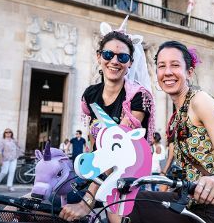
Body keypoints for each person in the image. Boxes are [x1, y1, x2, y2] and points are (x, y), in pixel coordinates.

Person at [126, 41, 214, 223]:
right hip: (192, 202)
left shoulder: (199, 100)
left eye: (175, 65)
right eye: (161, 66)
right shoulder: (178, 114)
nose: (168, 72)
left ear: (189, 72)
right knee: (134, 202)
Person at [59, 29, 155, 222]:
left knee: (115, 218)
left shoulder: (138, 96)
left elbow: (117, 152)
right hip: (97, 172)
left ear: (130, 63)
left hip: (125, 177)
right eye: (108, 54)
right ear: (99, 57)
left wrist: (87, 201)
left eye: (123, 56)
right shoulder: (90, 95)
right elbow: (95, 142)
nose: (114, 61)